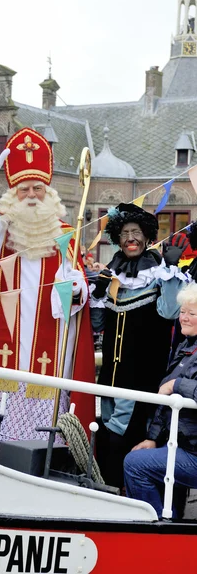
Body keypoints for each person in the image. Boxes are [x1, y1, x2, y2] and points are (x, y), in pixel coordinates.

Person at [0, 128, 95, 446]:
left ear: (48, 192)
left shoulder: (67, 233)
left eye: (37, 188)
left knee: (40, 442)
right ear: (12, 192)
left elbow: (77, 291)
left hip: (48, 350)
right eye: (23, 188)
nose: (30, 195)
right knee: (0, 434)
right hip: (4, 348)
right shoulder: (1, 226)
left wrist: (73, 289)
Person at [90, 203, 187, 488]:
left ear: (146, 238)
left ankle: (130, 498)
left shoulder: (158, 274)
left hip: (144, 378)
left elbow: (170, 313)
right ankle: (108, 495)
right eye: (124, 233)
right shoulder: (113, 276)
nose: (130, 238)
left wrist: (170, 270)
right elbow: (97, 325)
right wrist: (96, 293)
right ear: (117, 240)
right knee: (108, 437)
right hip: (110, 376)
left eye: (136, 232)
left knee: (130, 440)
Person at [124, 283, 197, 519]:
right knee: (145, 458)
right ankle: (171, 527)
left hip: (193, 451)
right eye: (183, 312)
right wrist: (153, 439)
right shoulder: (187, 347)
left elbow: (171, 390)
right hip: (184, 443)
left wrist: (176, 385)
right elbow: (164, 405)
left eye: (191, 314)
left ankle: (158, 530)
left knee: (135, 464)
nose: (183, 318)